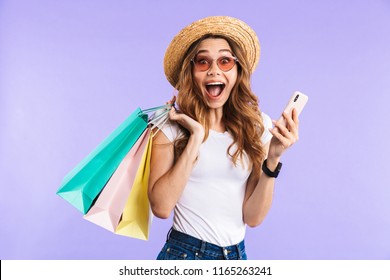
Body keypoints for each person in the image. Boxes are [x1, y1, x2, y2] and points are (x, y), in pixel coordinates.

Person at [148, 16, 300, 260]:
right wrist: (196, 136)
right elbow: (162, 208)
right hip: (185, 255)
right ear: (191, 72)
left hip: (236, 256)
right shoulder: (169, 123)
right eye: (203, 61)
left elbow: (253, 217)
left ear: (238, 71)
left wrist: (273, 158)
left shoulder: (255, 125)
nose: (214, 70)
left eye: (225, 61)